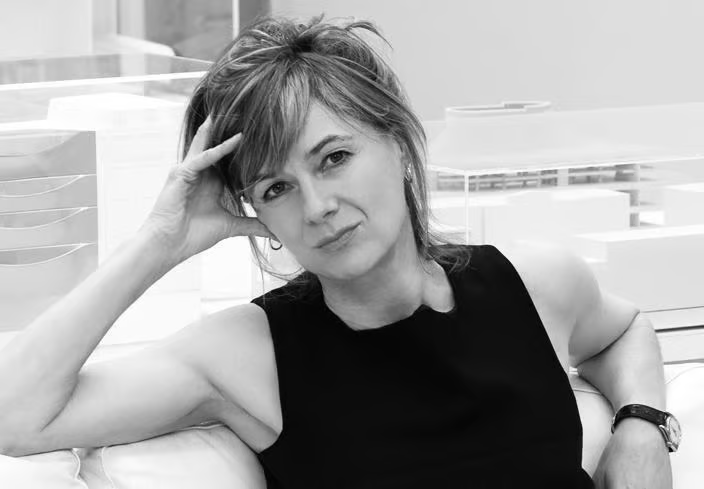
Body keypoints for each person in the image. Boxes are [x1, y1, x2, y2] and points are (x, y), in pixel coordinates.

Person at [0, 15, 675, 489]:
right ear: (257, 214)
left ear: (399, 143)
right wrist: (160, 241)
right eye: (276, 188)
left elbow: (624, 330)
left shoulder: (535, 281)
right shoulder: (249, 354)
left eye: (335, 158)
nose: (317, 205)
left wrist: (643, 425)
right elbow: (15, 416)